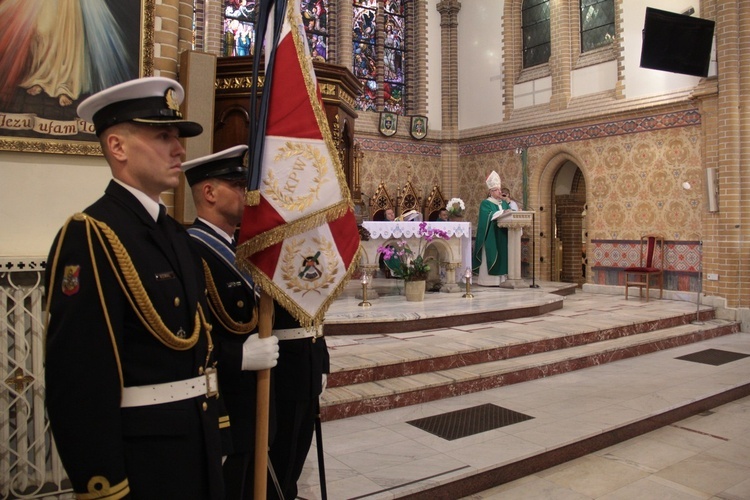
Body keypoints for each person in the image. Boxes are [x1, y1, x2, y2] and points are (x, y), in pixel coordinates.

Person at [44, 77, 226, 499]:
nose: (179, 149)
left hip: (194, 445)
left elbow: (201, 349)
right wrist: (104, 483)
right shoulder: (92, 235)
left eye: (177, 136)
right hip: (145, 464)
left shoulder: (175, 235)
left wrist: (218, 432)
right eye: (163, 136)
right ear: (117, 147)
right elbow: (79, 378)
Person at [182, 145, 280, 499]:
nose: (246, 193)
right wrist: (238, 356)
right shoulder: (190, 251)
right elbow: (189, 337)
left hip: (255, 400)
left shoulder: (243, 247)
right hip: (223, 405)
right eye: (237, 185)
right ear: (208, 192)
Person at [268, 306, 330, 500]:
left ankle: (288, 492)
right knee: (284, 451)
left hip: (310, 364)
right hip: (286, 369)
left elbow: (317, 315)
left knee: (301, 445)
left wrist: (322, 362)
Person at [472, 171, 511, 286]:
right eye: (496, 190)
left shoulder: (504, 203)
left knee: (503, 254)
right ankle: (488, 281)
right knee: (490, 254)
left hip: (502, 234)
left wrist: (508, 209)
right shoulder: (486, 203)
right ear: (490, 191)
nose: (499, 192)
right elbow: (487, 216)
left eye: (499, 189)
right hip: (491, 234)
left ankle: (502, 280)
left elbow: (509, 214)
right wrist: (501, 212)